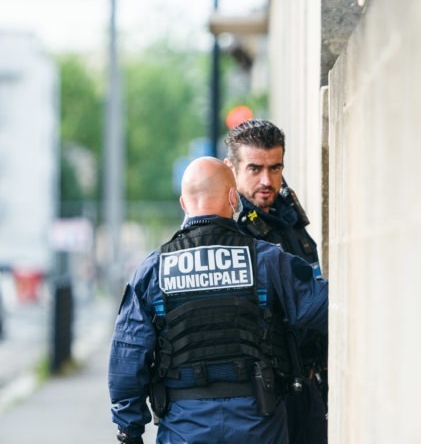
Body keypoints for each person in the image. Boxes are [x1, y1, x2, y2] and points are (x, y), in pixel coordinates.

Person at [108, 157, 328, 444]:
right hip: (258, 423)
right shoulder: (267, 259)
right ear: (232, 197)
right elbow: (322, 308)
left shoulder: (153, 269)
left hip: (184, 427)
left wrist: (129, 430)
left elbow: (128, 354)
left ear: (184, 204)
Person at [224, 119, 327, 444]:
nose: (267, 180)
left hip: (305, 385)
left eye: (275, 167)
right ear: (232, 169)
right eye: (255, 169)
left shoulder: (287, 218)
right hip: (260, 397)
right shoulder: (227, 230)